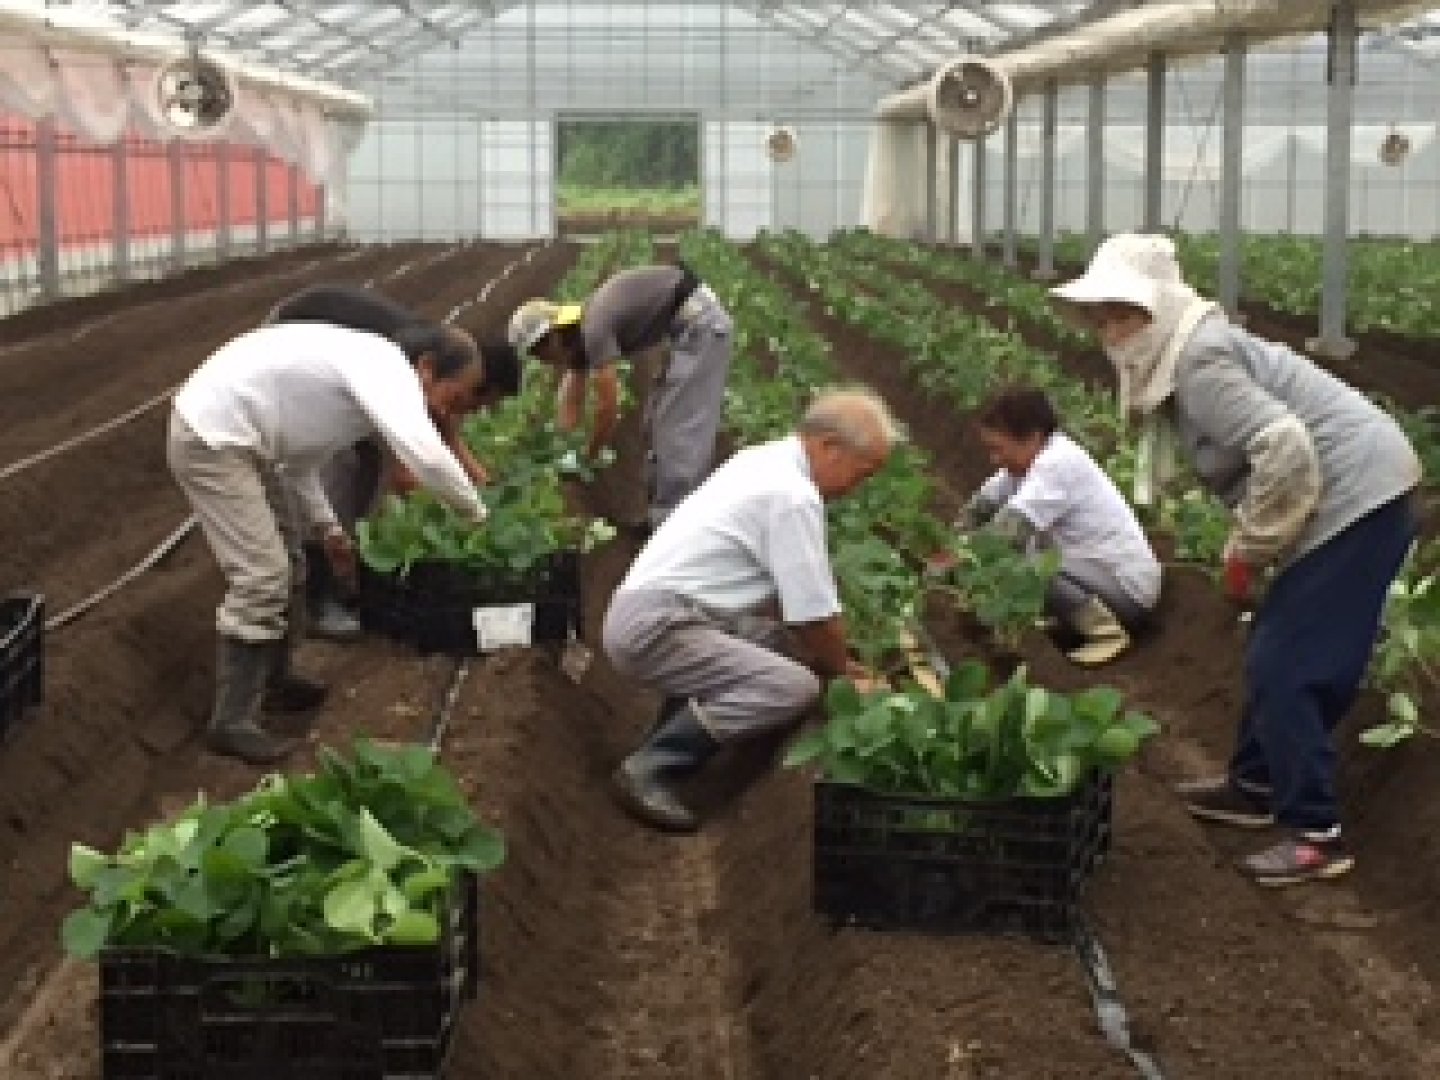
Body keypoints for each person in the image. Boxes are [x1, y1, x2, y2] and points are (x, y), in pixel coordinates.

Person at [1051, 232, 1421, 886]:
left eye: (1119, 317)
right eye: (1100, 319)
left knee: (1288, 664)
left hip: (1357, 497)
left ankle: (1315, 833)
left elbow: (1284, 448)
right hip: (1337, 496)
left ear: (1155, 310)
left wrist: (1247, 551)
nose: (1108, 334)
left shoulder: (1198, 363)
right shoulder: (1187, 352)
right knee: (1273, 644)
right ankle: (1254, 786)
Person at [168, 319, 490, 766]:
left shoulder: (367, 374)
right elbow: (428, 456)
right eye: (454, 398)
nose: (448, 413)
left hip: (251, 443)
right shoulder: (387, 370)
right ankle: (232, 720)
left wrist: (329, 529)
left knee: (293, 562)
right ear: (428, 367)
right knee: (263, 575)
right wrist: (478, 514)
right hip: (212, 439)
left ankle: (275, 681)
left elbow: (300, 462)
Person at [601, 387, 900, 833]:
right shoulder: (792, 496)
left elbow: (786, 602)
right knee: (792, 687)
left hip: (648, 613)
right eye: (862, 474)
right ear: (829, 447)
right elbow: (813, 616)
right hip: (658, 626)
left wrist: (830, 653)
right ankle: (652, 767)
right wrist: (845, 674)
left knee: (774, 643)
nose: (858, 488)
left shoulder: (763, 460)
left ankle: (666, 739)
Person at [266, 284, 520, 641]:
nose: (480, 411)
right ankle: (319, 595)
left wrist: (483, 483)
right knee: (340, 464)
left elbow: (447, 437)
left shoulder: (445, 364)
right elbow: (406, 474)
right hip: (290, 340)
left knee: (367, 464)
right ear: (477, 383)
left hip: (326, 342)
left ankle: (345, 567)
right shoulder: (407, 368)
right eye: (485, 401)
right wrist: (466, 516)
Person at [507, 262, 733, 533]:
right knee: (654, 422)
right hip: (685, 328)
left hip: (702, 325)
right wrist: (561, 447)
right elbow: (572, 397)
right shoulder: (576, 337)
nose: (541, 359)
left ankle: (675, 527)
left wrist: (590, 454)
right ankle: (662, 515)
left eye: (538, 351)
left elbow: (608, 408)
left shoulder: (593, 328)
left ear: (553, 335)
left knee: (679, 431)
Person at [950, 386, 1161, 666]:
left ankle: (1107, 633)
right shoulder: (1020, 469)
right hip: (1093, 579)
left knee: (1027, 564)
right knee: (1027, 559)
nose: (994, 459)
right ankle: (1077, 621)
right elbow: (978, 509)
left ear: (1033, 438)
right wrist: (951, 546)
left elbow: (1007, 534)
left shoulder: (1058, 465)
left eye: (998, 449)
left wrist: (959, 566)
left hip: (1127, 592)